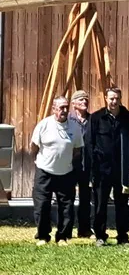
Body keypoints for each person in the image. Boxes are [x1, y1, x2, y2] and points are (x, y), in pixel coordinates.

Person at [85, 87, 129, 246]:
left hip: (121, 170)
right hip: (102, 170)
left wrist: (126, 162)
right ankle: (100, 235)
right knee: (100, 204)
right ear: (106, 99)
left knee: (122, 203)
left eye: (117, 98)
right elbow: (89, 143)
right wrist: (92, 168)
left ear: (121, 98)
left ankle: (123, 235)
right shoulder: (96, 118)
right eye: (111, 98)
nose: (114, 101)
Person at [30, 96, 84, 246]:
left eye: (66, 107)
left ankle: (62, 237)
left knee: (66, 207)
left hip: (66, 173)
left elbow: (77, 150)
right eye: (61, 108)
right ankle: (42, 236)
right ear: (54, 109)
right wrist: (41, 162)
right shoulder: (44, 125)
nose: (64, 111)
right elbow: (34, 147)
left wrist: (66, 162)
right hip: (44, 172)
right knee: (41, 206)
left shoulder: (75, 127)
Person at [69, 90, 92, 238]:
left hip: (87, 165)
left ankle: (84, 229)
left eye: (86, 100)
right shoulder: (68, 120)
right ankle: (66, 229)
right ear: (73, 104)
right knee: (68, 198)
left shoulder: (93, 120)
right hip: (70, 164)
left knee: (85, 198)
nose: (84, 102)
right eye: (80, 100)